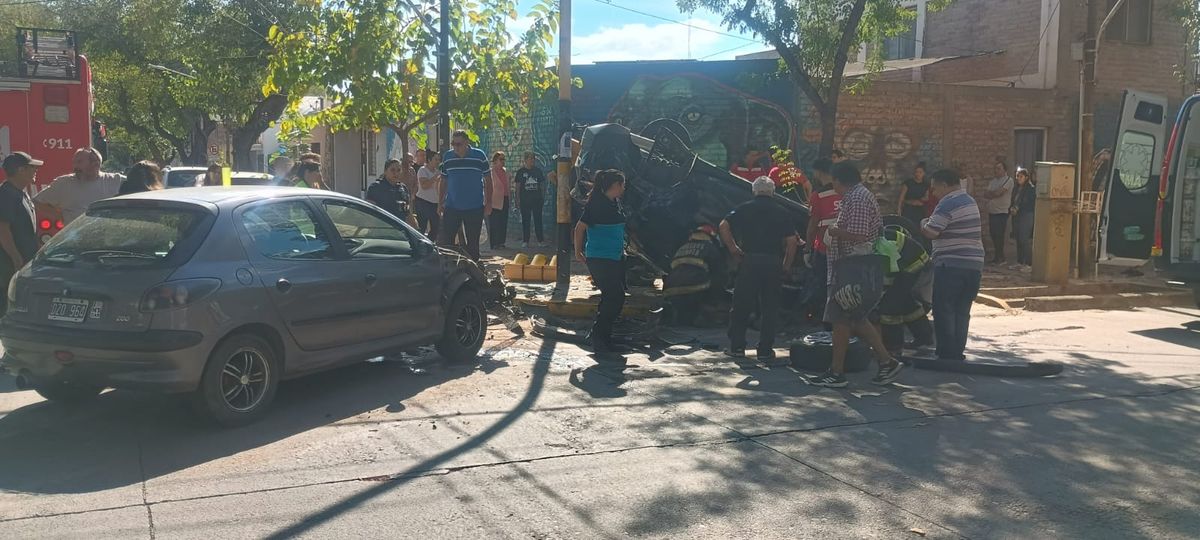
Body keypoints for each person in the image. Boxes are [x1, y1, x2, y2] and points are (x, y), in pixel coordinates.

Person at [809, 163, 903, 388]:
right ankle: (886, 361)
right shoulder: (856, 197)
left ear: (839, 180)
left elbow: (860, 235)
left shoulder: (858, 198)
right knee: (855, 318)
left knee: (841, 319)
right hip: (849, 266)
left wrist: (833, 231)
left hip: (853, 267)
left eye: (834, 183)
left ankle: (837, 372)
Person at [720, 177, 798, 364]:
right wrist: (786, 265)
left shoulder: (744, 208)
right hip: (773, 262)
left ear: (754, 191)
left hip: (749, 261)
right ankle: (765, 350)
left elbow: (723, 225)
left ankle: (737, 347)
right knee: (770, 307)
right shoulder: (782, 212)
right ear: (772, 192)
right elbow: (792, 241)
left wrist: (733, 249)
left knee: (741, 305)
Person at [922, 169, 985, 362]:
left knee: (944, 308)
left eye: (935, 188)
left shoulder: (948, 202)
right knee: (961, 310)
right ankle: (957, 351)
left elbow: (932, 231)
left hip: (951, 265)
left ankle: (947, 353)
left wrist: (923, 223)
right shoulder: (969, 201)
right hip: (973, 266)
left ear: (944, 185)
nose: (933, 193)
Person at [573, 169, 628, 355]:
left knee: (613, 297)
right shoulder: (596, 205)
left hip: (616, 257)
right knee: (615, 296)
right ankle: (599, 336)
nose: (624, 188)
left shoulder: (615, 202)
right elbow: (579, 229)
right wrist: (577, 251)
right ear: (615, 186)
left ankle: (602, 336)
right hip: (600, 258)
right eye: (622, 184)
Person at [878, 225, 935, 357]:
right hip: (914, 261)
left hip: (912, 265)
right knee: (906, 303)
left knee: (890, 307)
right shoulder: (879, 238)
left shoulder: (880, 245)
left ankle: (894, 347)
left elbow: (888, 273)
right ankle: (924, 337)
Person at [33, 147, 123, 226]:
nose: (75, 166)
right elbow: (37, 202)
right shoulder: (64, 183)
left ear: (96, 163)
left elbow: (136, 184)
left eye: (79, 162)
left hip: (105, 239)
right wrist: (62, 217)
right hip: (76, 240)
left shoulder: (114, 181)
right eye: (74, 162)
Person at [438, 130, 492, 261]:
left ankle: (474, 271)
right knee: (447, 242)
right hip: (452, 206)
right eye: (453, 144)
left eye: (459, 144)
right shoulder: (448, 157)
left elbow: (488, 180)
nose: (456, 147)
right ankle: (449, 269)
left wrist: (488, 203)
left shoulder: (479, 156)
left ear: (467, 142)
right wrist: (440, 203)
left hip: (474, 207)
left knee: (473, 244)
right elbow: (443, 181)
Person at [0, 152, 43, 315]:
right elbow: (2, 228)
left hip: (22, 261)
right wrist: (15, 256)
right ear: (20, 170)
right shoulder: (6, 194)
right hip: (7, 264)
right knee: (5, 305)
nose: (35, 171)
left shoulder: (21, 193)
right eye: (32, 167)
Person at [663, 224, 723, 327]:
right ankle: (705, 316)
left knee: (684, 319)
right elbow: (718, 274)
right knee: (717, 280)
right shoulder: (710, 248)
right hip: (695, 292)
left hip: (670, 291)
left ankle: (679, 317)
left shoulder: (682, 247)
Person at [804, 158, 841, 319]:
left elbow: (813, 225)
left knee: (822, 282)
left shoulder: (818, 195)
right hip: (848, 247)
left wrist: (807, 249)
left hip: (824, 249)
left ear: (818, 172)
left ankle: (822, 317)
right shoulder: (845, 191)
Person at [983, 157, 1014, 264]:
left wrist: (993, 193)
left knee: (999, 234)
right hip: (992, 211)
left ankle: (1001, 257)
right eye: (995, 169)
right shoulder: (993, 181)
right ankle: (997, 256)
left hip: (1002, 212)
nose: (996, 171)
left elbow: (998, 193)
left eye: (999, 168)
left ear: (1004, 170)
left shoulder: (1008, 180)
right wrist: (993, 193)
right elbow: (986, 194)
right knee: (993, 234)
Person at [514, 151, 547, 247]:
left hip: (537, 200)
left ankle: (540, 241)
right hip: (525, 201)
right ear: (525, 160)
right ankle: (525, 241)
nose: (532, 160)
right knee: (526, 220)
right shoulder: (520, 172)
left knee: (538, 220)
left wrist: (542, 197)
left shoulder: (538, 171)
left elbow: (542, 185)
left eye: (533, 158)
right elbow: (517, 187)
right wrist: (517, 199)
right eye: (530, 158)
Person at [1010, 166, 1036, 269]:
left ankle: (1028, 263)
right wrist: (1012, 208)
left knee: (1024, 239)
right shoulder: (1016, 188)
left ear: (1026, 177)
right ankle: (1020, 261)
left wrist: (1018, 208)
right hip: (1017, 216)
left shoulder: (1030, 188)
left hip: (1026, 215)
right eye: (1017, 176)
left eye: (1020, 176)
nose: (1018, 178)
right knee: (1018, 239)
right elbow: (1014, 199)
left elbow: (1029, 203)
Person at [415, 151, 442, 238]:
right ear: (429, 160)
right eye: (436, 159)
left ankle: (430, 244)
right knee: (422, 227)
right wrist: (435, 177)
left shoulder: (438, 172)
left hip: (435, 203)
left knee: (436, 228)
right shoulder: (422, 170)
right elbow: (424, 186)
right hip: (423, 202)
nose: (438, 162)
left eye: (439, 160)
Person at [487, 151, 510, 249]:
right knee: (494, 222)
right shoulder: (491, 173)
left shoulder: (506, 172)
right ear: (495, 160)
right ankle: (494, 243)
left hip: (505, 199)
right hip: (494, 201)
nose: (503, 161)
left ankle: (501, 242)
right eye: (501, 159)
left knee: (503, 221)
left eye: (504, 159)